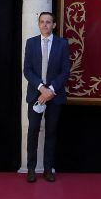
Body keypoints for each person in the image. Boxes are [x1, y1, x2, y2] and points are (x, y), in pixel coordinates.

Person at [23, 11, 71, 183]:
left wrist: (50, 90)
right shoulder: (31, 43)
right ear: (38, 24)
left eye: (48, 22)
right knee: (33, 131)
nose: (45, 25)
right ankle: (31, 169)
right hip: (35, 94)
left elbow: (65, 71)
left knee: (51, 132)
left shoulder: (62, 44)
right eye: (42, 22)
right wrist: (41, 88)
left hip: (54, 96)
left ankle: (48, 169)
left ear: (54, 25)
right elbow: (27, 70)